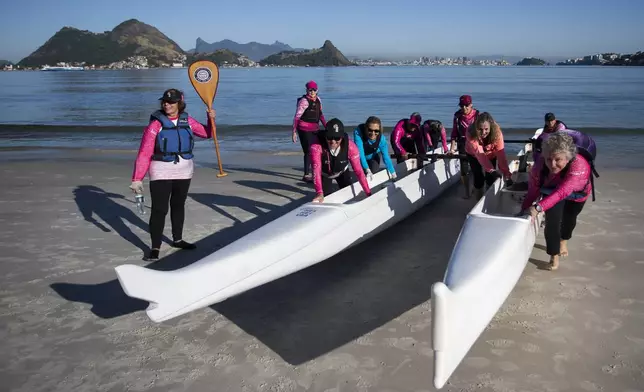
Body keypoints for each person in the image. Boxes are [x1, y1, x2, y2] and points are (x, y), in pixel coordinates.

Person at [130, 88, 215, 261]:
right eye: (165, 101)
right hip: (161, 170)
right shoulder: (155, 125)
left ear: (180, 103)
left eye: (171, 102)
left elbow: (207, 133)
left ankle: (178, 239)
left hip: (184, 170)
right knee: (160, 209)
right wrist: (137, 178)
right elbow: (145, 152)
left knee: (178, 205)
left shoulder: (188, 121)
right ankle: (155, 247)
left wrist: (210, 118)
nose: (167, 104)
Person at [520, 132, 592, 271]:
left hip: (576, 194)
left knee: (569, 220)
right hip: (552, 190)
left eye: (558, 159)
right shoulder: (539, 167)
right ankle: (554, 256)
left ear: (568, 157)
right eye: (548, 159)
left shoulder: (580, 167)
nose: (552, 164)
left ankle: (563, 240)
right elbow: (533, 191)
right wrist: (525, 210)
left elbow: (563, 192)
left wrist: (538, 207)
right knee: (552, 222)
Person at [310, 118, 371, 203]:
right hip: (324, 174)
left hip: (342, 172)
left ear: (342, 137)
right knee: (327, 199)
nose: (333, 141)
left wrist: (368, 192)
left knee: (348, 196)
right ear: (325, 136)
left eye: (337, 138)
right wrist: (319, 193)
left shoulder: (351, 147)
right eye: (329, 137)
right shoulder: (316, 146)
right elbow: (316, 170)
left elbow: (359, 171)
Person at [464, 112, 513, 199]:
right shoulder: (470, 131)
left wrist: (507, 174)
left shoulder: (497, 133)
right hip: (473, 154)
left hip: (490, 154)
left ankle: (489, 198)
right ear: (476, 127)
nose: (483, 132)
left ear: (491, 127)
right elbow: (479, 153)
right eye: (480, 129)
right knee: (478, 177)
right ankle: (478, 200)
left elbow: (501, 154)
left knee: (490, 178)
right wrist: (492, 170)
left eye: (486, 129)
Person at [292, 80, 327, 182]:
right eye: (310, 90)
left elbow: (320, 115)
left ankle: (315, 172)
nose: (312, 92)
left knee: (316, 150)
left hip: (315, 128)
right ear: (306, 90)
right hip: (304, 129)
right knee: (308, 151)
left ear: (317, 90)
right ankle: (306, 175)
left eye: (314, 90)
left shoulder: (318, 100)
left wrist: (326, 126)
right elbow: (297, 117)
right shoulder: (304, 101)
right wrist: (294, 132)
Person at [449, 95, 480, 197]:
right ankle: (467, 192)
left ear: (471, 105)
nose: (464, 108)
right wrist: (451, 149)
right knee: (464, 170)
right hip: (462, 143)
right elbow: (454, 133)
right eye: (461, 106)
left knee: (477, 169)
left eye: (466, 105)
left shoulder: (477, 115)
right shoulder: (457, 116)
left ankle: (477, 189)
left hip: (475, 144)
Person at [353, 116, 397, 181]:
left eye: (376, 131)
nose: (373, 133)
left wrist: (393, 173)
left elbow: (386, 157)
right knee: (361, 175)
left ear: (379, 130)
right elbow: (361, 154)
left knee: (374, 173)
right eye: (370, 130)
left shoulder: (382, 139)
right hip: (360, 157)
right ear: (366, 128)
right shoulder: (358, 133)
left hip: (374, 156)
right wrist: (367, 169)